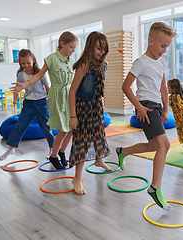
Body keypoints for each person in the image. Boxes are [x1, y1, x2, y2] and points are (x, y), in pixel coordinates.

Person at [116, 22, 177, 210]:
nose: (165, 50)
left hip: (157, 107)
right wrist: (139, 107)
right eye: (163, 46)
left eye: (167, 46)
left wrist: (166, 109)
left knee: (153, 145)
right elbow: (126, 86)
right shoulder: (140, 62)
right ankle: (155, 187)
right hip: (146, 107)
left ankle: (122, 152)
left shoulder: (161, 62)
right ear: (151, 41)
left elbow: (162, 88)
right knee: (164, 144)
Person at [11, 31, 78, 169]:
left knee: (72, 129)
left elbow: (74, 81)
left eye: (74, 48)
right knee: (63, 131)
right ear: (62, 44)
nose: (73, 50)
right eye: (71, 47)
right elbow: (39, 75)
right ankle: (54, 156)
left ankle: (62, 152)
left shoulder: (71, 61)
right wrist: (25, 84)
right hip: (57, 96)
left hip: (70, 96)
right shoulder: (51, 59)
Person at [69, 31, 112, 195]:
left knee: (99, 134)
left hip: (96, 105)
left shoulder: (103, 64)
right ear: (90, 48)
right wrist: (73, 116)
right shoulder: (84, 65)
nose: (101, 52)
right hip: (83, 107)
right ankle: (77, 178)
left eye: (104, 49)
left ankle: (99, 160)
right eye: (98, 49)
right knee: (83, 141)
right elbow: (72, 92)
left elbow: (98, 89)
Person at [0, 49, 55, 161]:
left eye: (28, 63)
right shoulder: (20, 74)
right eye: (23, 63)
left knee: (46, 128)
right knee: (20, 126)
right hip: (28, 104)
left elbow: (48, 89)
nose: (26, 65)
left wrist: (51, 102)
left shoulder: (40, 74)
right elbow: (17, 88)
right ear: (20, 63)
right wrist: (15, 99)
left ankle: (52, 149)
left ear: (33, 61)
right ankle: (11, 148)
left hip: (41, 103)